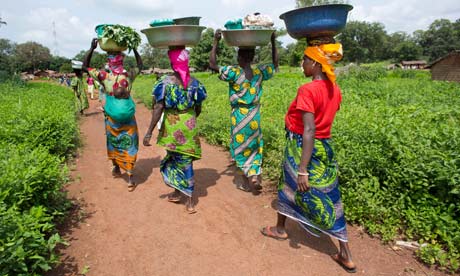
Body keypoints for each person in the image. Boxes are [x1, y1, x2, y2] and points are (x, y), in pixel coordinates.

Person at [260, 41, 356, 273]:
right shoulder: (335, 89)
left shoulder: (308, 90)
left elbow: (310, 129)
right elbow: (326, 119)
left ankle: (282, 229)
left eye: (304, 59)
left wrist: (303, 168)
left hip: (303, 147)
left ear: (315, 63)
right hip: (324, 148)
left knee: (290, 186)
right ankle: (345, 253)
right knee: (331, 196)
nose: (302, 64)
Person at [209, 30, 278, 192]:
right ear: (253, 58)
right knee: (254, 146)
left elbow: (212, 65)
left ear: (239, 57)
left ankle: (245, 181)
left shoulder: (233, 73)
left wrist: (216, 42)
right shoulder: (259, 72)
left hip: (239, 116)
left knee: (240, 147)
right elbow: (275, 65)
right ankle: (254, 175)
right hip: (254, 116)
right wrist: (273, 41)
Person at [143, 47, 207, 214]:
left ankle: (190, 200)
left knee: (178, 160)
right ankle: (178, 192)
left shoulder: (165, 83)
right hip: (189, 123)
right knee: (182, 159)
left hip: (172, 125)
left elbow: (158, 107)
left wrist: (149, 131)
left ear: (172, 64)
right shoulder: (195, 83)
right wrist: (189, 119)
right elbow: (198, 107)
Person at [83, 38, 143, 192]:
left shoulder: (104, 76)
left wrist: (92, 48)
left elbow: (85, 66)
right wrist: (135, 48)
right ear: (122, 59)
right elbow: (140, 65)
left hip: (111, 118)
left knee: (114, 141)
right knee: (130, 143)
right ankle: (130, 177)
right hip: (128, 118)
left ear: (108, 61)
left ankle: (116, 167)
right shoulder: (128, 76)